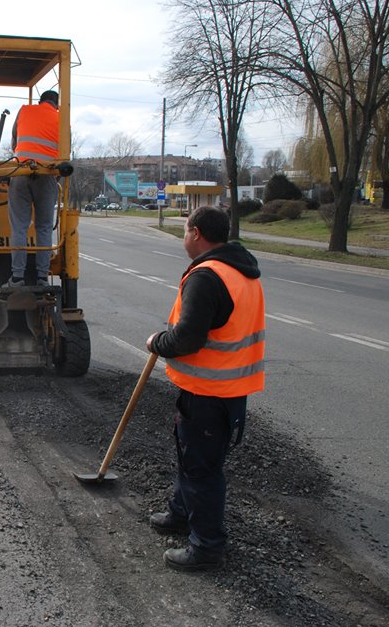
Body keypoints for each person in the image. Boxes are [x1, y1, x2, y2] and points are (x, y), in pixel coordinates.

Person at [145, 206, 265, 571]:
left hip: (209, 392)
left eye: (184, 230)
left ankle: (207, 547)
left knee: (201, 469)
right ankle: (181, 513)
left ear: (196, 233)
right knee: (194, 458)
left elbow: (187, 339)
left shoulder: (207, 276)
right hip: (227, 389)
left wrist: (156, 341)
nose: (184, 237)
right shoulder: (240, 270)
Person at [5, 89, 60, 287]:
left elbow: (14, 142)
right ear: (56, 104)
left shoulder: (24, 111)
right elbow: (64, 154)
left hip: (21, 172)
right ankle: (41, 278)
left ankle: (17, 277)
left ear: (40, 101)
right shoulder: (61, 119)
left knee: (19, 226)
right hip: (47, 176)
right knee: (44, 228)